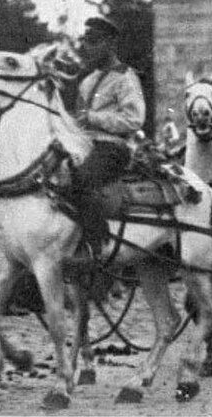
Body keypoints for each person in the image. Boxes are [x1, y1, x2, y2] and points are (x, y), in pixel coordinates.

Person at [72, 14, 145, 251]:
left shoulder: (125, 77)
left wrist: (93, 118)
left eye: (95, 41)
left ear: (111, 43)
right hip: (85, 145)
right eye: (86, 41)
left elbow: (134, 119)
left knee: (82, 180)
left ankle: (96, 245)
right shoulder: (87, 81)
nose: (88, 47)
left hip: (113, 147)